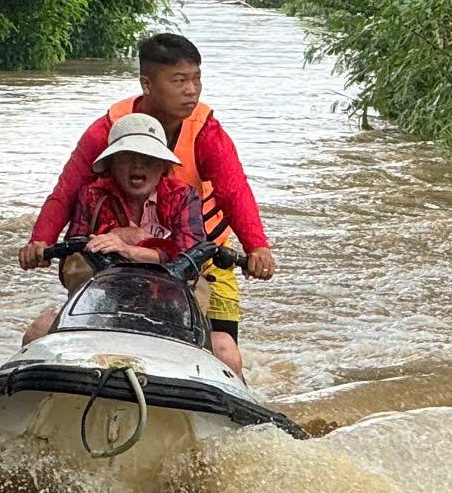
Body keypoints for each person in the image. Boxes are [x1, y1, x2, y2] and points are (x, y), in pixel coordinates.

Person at [21, 33, 274, 375]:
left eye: (196, 79)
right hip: (109, 265)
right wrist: (41, 240)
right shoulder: (106, 132)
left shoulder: (206, 132)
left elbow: (234, 191)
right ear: (148, 84)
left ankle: (235, 400)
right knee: (63, 317)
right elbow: (66, 191)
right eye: (179, 80)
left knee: (225, 348)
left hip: (201, 253)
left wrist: (256, 246)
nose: (192, 90)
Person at [21, 113, 211, 347]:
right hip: (98, 308)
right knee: (38, 331)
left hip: (171, 312)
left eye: (149, 158)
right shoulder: (91, 196)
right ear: (111, 164)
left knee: (226, 350)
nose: (138, 165)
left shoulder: (184, 196)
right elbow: (70, 263)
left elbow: (191, 259)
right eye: (128, 157)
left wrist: (130, 249)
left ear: (163, 166)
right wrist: (117, 234)